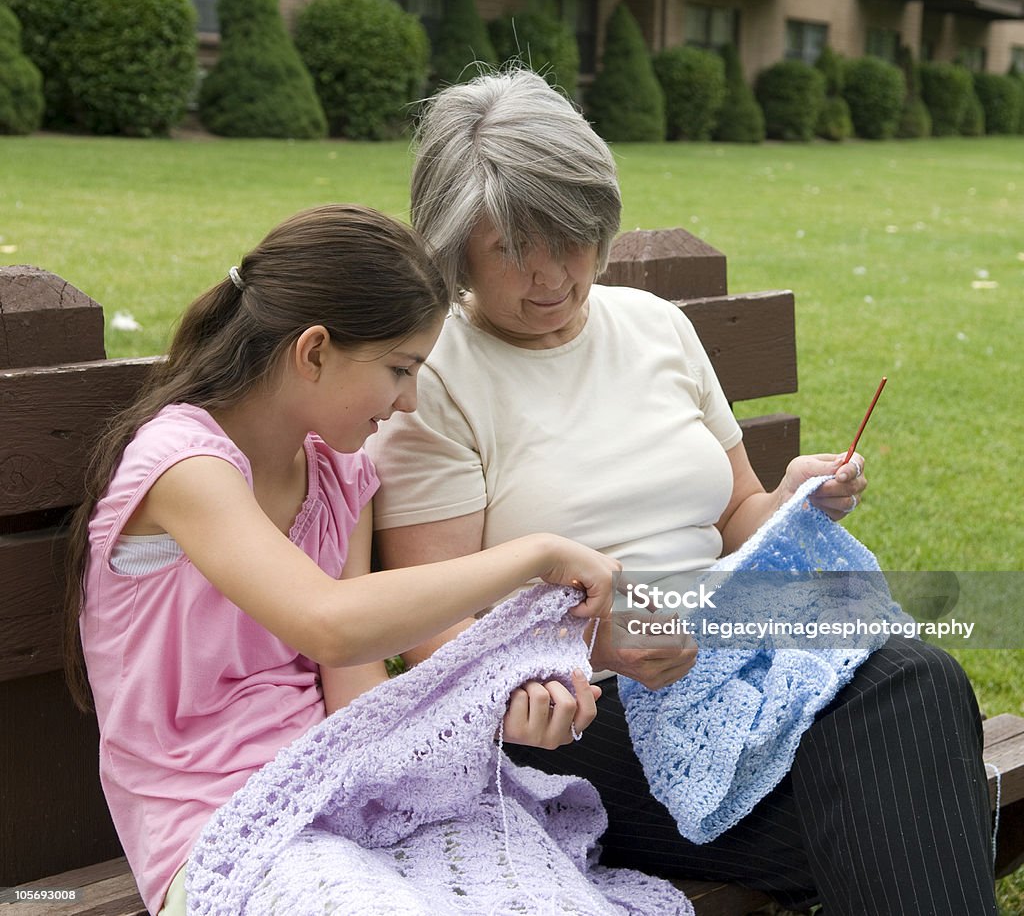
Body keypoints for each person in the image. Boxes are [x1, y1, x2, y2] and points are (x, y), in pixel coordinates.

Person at [367, 71, 997, 914]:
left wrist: (792, 498)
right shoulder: (437, 376)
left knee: (917, 686)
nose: (553, 272)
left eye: (575, 236)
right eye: (515, 248)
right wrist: (598, 649)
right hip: (579, 716)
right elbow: (431, 631)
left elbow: (736, 516)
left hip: (734, 664)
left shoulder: (656, 325)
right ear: (454, 248)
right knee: (903, 747)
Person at [62, 204, 621, 915]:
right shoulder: (182, 466)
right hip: (219, 830)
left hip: (339, 795)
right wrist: (533, 555)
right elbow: (329, 623)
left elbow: (351, 690)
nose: (410, 399)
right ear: (315, 350)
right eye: (399, 368)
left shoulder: (338, 477)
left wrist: (494, 708)